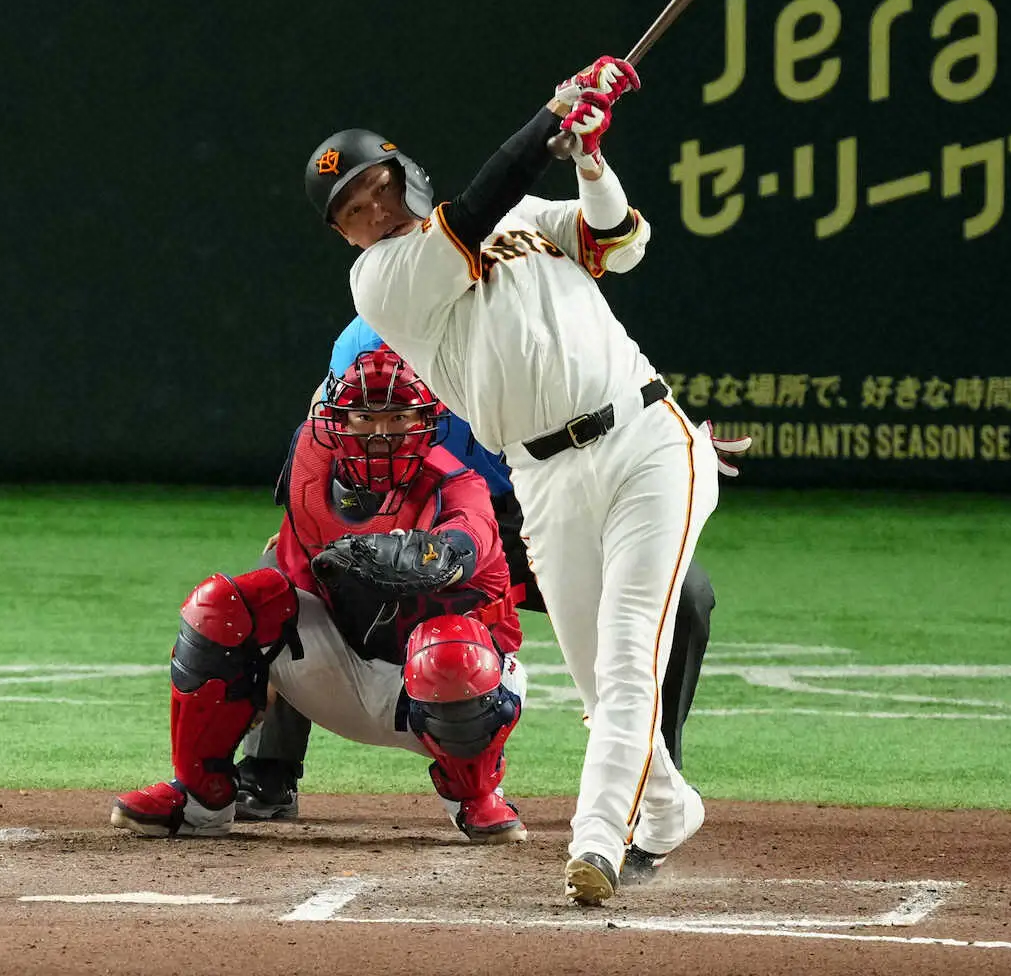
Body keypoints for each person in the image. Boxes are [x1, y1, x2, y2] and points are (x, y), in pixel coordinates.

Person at [301, 57, 744, 905]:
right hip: (544, 479)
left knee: (623, 667)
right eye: (352, 211)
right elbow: (475, 211)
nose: (373, 210)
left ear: (404, 174)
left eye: (378, 187)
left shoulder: (532, 216)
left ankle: (595, 844)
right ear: (346, 236)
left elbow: (623, 241)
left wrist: (587, 154)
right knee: (595, 683)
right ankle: (668, 808)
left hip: (648, 442)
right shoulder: (383, 280)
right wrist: (552, 115)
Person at [236, 314, 724, 825]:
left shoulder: (531, 325)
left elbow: (610, 414)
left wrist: (670, 446)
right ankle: (269, 769)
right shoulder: (374, 325)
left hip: (540, 513)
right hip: (421, 511)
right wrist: (305, 522)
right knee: (288, 576)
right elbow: (329, 421)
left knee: (686, 594)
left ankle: (648, 775)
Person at [112, 346, 528, 844]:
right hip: (340, 662)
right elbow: (278, 582)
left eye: (398, 417)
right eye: (364, 417)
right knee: (219, 606)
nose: (380, 433)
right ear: (337, 419)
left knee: (449, 645)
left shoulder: (459, 486)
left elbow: (461, 548)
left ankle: (475, 795)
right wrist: (230, 663)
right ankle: (201, 798)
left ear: (426, 420)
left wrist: (408, 557)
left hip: (441, 689)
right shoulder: (310, 458)